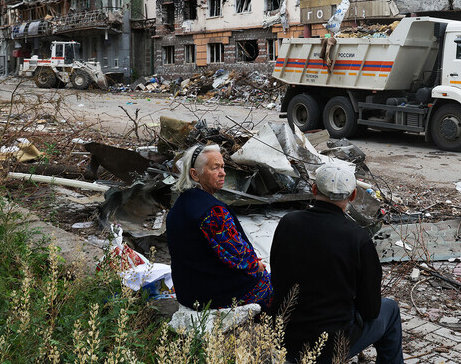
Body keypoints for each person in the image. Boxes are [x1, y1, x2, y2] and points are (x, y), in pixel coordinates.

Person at [269, 164, 403, 364]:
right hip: (330, 346)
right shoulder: (358, 238)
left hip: (284, 335)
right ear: (353, 195)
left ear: (314, 190)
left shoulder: (288, 223)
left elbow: (277, 275)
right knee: (390, 309)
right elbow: (370, 310)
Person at [166, 144, 272, 310]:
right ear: (195, 174)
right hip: (213, 294)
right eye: (215, 168)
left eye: (223, 166)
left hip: (188, 292)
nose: (223, 172)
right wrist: (257, 266)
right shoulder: (212, 212)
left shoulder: (181, 203)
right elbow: (239, 256)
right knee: (277, 287)